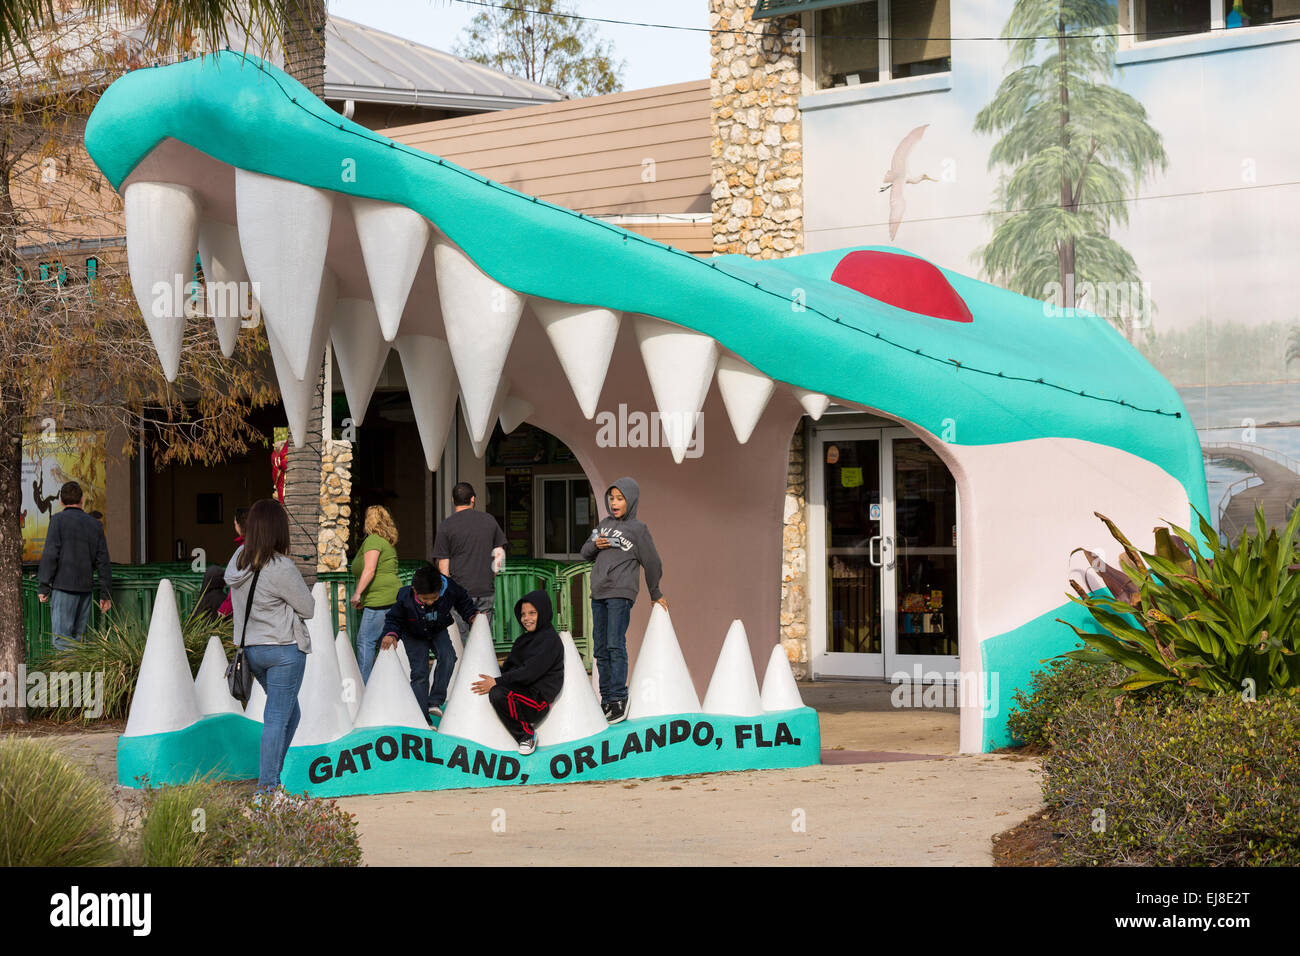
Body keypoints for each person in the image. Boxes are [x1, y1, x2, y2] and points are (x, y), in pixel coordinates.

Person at [224, 498, 315, 793]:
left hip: (252, 651)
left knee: (290, 714)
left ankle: (272, 777)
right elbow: (309, 608)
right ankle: (268, 788)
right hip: (282, 650)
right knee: (277, 717)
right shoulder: (281, 566)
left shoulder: (239, 558)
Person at [579, 477, 666, 725]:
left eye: (620, 498)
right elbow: (585, 553)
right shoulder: (603, 525)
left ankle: (618, 698)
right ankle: (606, 699)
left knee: (615, 644)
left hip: (620, 593)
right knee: (600, 648)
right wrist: (595, 544)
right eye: (611, 497)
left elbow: (653, 562)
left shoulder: (638, 529)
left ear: (631, 500)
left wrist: (655, 591)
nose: (614, 502)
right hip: (599, 593)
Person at [471, 589, 564, 755]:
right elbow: (510, 668)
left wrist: (497, 682)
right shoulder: (523, 640)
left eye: (532, 613)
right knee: (497, 690)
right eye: (523, 614)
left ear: (543, 612)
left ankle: (526, 735)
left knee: (498, 693)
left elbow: (530, 672)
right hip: (522, 692)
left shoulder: (550, 640)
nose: (526, 619)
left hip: (537, 701)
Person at [380, 563, 478, 719]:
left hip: (437, 629)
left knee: (449, 657)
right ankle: (422, 716)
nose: (431, 602)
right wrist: (391, 634)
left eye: (435, 597)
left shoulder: (450, 589)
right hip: (413, 634)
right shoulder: (405, 597)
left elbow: (462, 600)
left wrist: (471, 615)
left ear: (440, 590)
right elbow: (394, 618)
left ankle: (434, 701)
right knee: (420, 673)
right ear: (415, 591)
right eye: (426, 599)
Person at [37, 481, 113, 653]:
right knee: (77, 637)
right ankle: (77, 675)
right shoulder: (95, 525)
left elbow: (50, 555)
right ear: (82, 499)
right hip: (85, 589)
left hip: (63, 587)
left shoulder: (57, 521)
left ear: (62, 502)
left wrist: (43, 585)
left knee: (61, 641)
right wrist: (105, 593)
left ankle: (69, 677)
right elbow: (103, 561)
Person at [433, 482, 506, 638]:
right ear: (473, 499)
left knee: (462, 639)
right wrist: (491, 576)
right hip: (485, 588)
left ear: (453, 500)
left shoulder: (446, 526)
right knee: (483, 638)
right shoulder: (489, 520)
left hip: (459, 591)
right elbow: (500, 553)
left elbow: (443, 563)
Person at [350, 505, 402, 682]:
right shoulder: (386, 542)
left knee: (365, 642)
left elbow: (370, 570)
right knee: (387, 644)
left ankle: (366, 689)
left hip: (379, 601)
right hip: (390, 597)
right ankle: (387, 685)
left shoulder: (373, 540)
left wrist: (357, 594)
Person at [214, 507, 250, 619]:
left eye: (235, 523)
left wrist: (226, 607)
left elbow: (238, 581)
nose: (234, 526)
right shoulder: (252, 546)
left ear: (241, 525)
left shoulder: (246, 549)